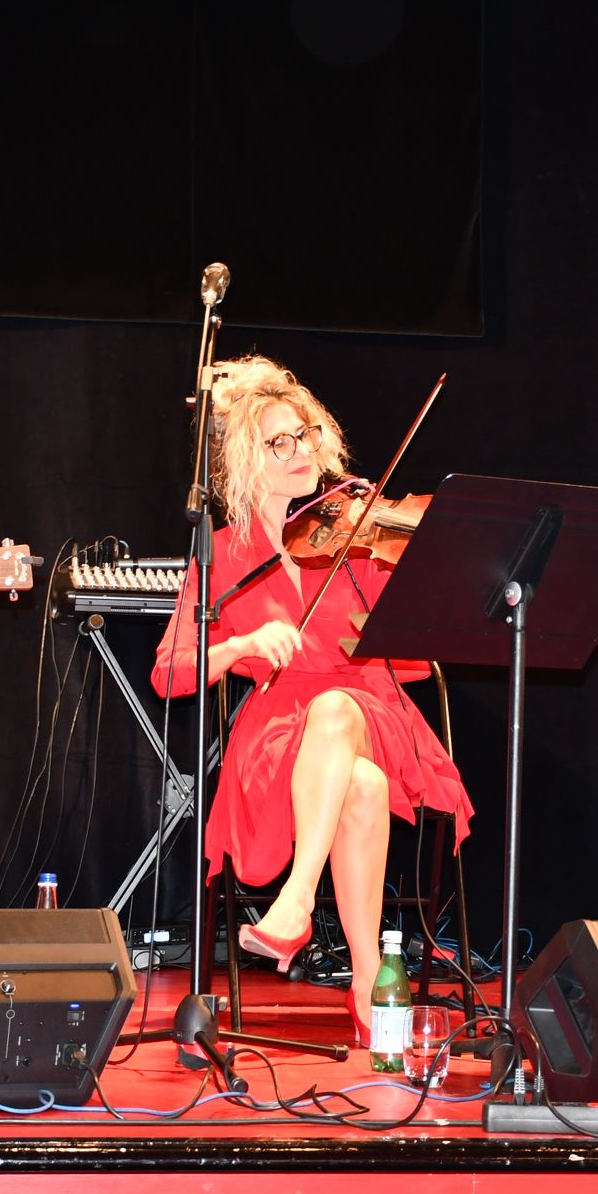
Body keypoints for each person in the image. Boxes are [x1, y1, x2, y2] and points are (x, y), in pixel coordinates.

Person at [151, 355, 472, 1045]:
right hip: (277, 738)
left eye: (306, 435)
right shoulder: (224, 554)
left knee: (337, 708)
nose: (301, 452)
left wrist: (396, 608)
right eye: (279, 442)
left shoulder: (358, 535)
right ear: (244, 460)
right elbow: (170, 673)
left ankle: (295, 902)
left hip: (372, 709)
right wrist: (240, 646)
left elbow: (422, 653)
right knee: (359, 783)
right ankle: (368, 983)